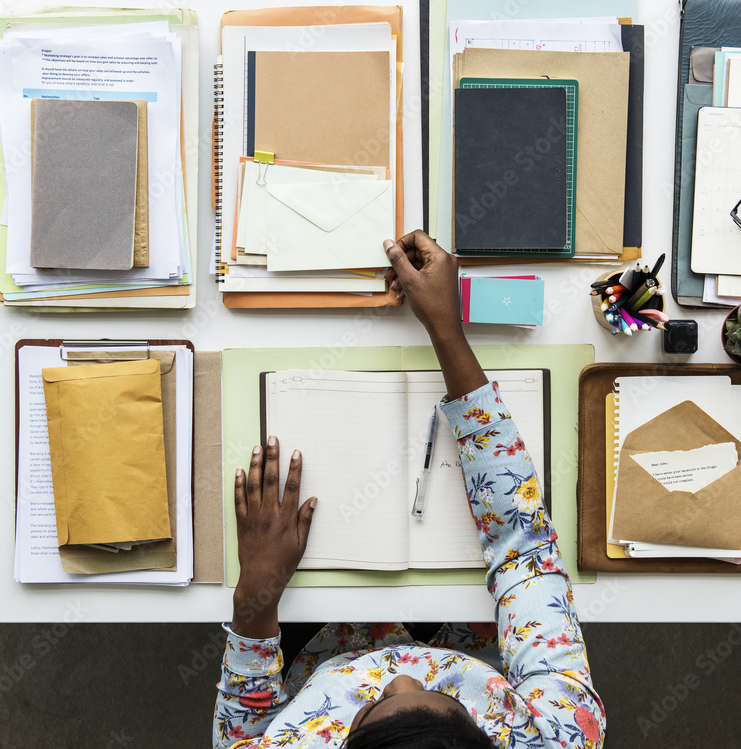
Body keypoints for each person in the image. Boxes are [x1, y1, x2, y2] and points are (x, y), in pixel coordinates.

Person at [213, 231, 605, 749]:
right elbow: (525, 547)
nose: (401, 677)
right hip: (478, 635)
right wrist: (447, 332)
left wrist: (253, 598)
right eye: (449, 701)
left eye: (374, 704)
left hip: (334, 647)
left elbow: (240, 732)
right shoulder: (559, 737)